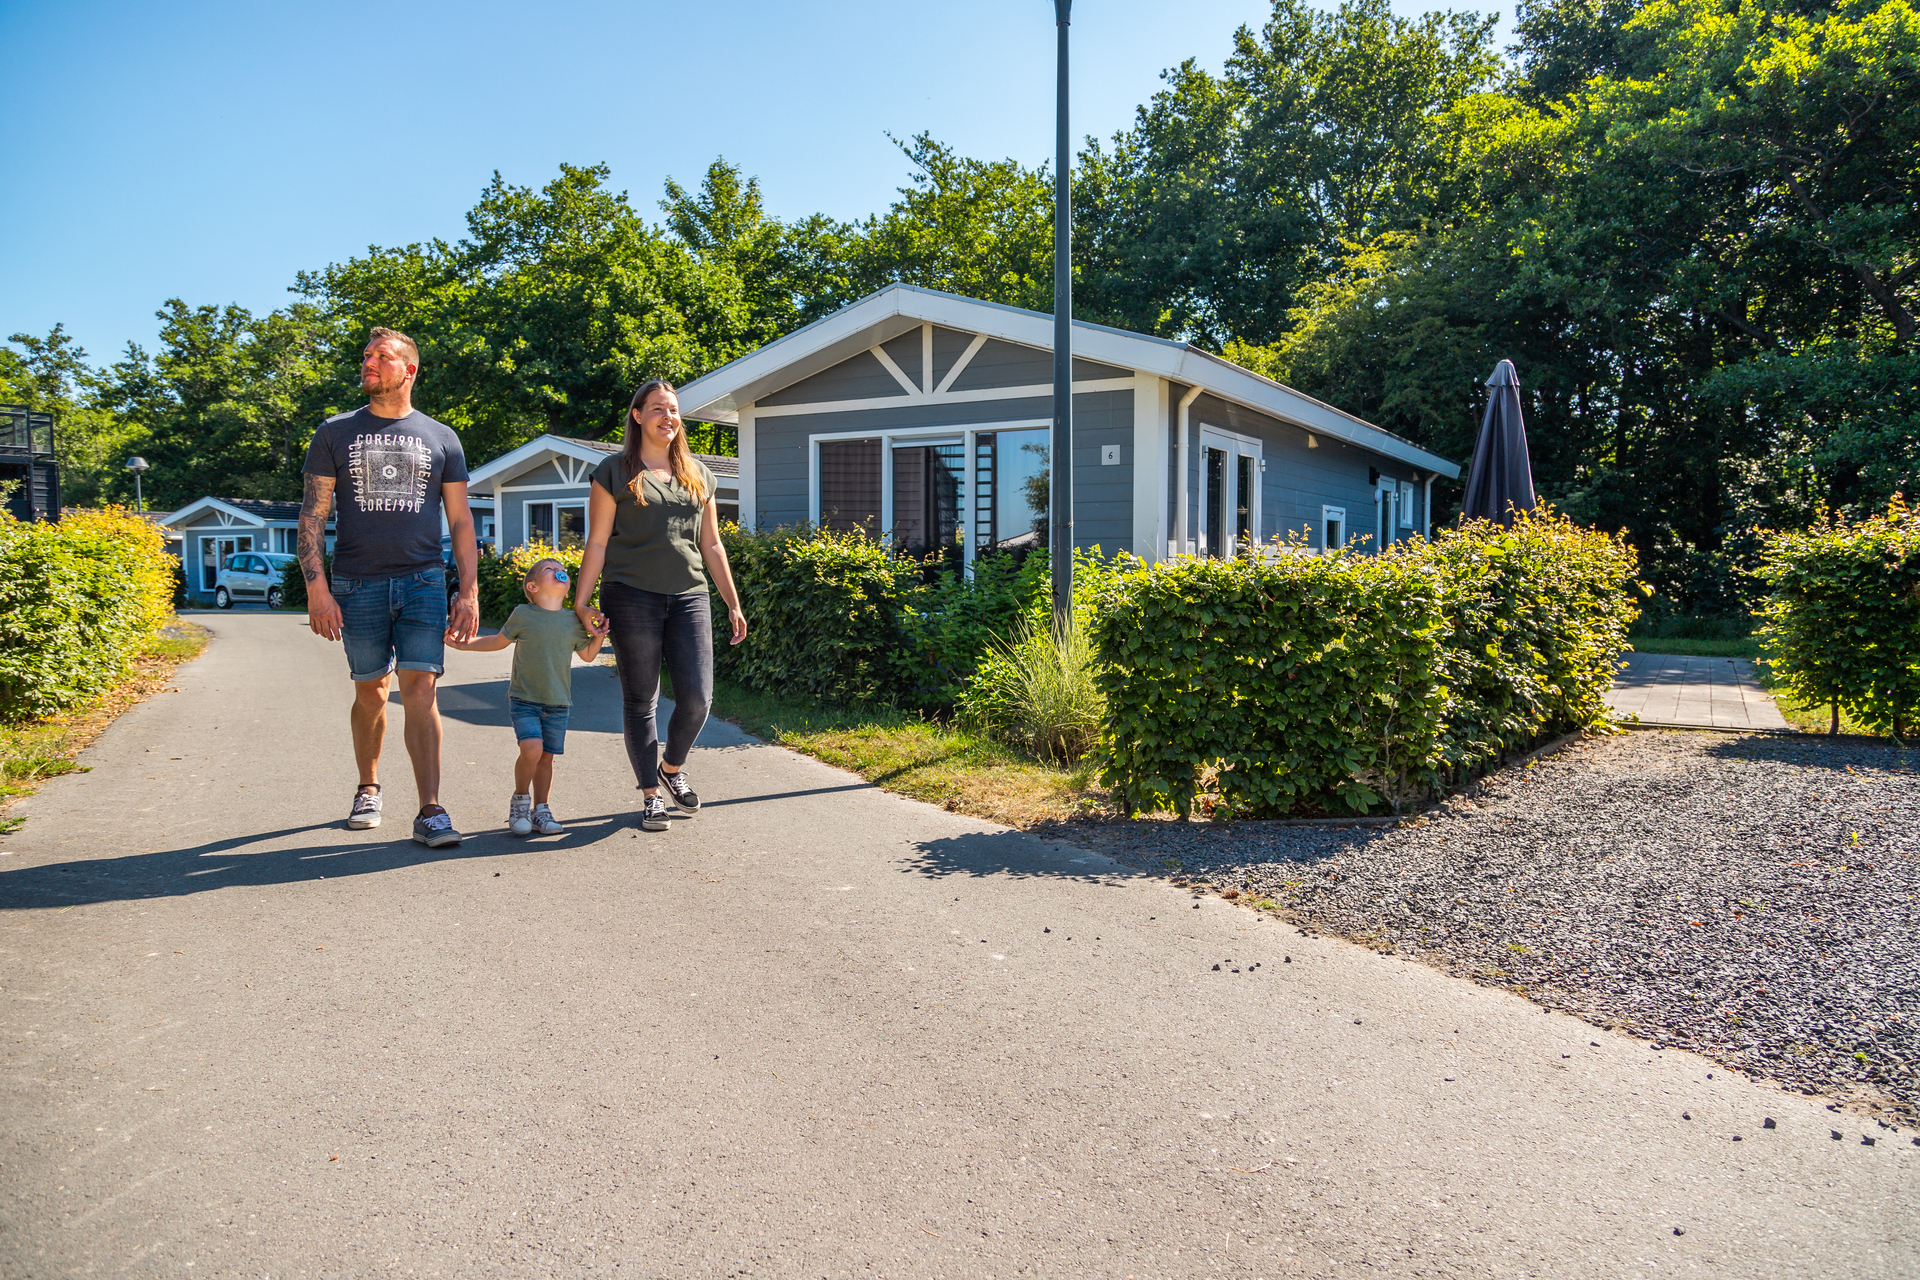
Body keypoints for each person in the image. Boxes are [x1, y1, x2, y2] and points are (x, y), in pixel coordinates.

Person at [297, 327, 480, 848]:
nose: (370, 362)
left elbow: (461, 520)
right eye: (366, 355)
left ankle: (431, 811)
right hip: (357, 583)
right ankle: (369, 787)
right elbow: (313, 515)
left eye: (382, 356)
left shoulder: (442, 437)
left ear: (410, 369)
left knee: (421, 687)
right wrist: (318, 588)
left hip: (423, 579)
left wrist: (467, 590)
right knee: (371, 690)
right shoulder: (334, 432)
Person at [573, 379, 747, 833]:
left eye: (673, 410)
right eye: (657, 409)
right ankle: (650, 795)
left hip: (689, 596)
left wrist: (732, 601)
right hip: (630, 595)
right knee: (640, 700)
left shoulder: (699, 474)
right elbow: (596, 541)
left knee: (697, 699)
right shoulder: (613, 472)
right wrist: (580, 600)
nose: (668, 417)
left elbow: (711, 543)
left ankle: (671, 768)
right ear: (638, 415)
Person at [448, 558, 605, 835]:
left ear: (568, 590)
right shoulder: (523, 613)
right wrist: (464, 645)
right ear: (532, 586)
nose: (560, 572)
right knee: (531, 749)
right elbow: (497, 641)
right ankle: (521, 801)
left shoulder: (572, 620)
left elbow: (588, 655)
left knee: (546, 758)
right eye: (550, 569)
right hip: (525, 700)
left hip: (558, 702)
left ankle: (541, 810)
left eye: (563, 572)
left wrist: (600, 634)